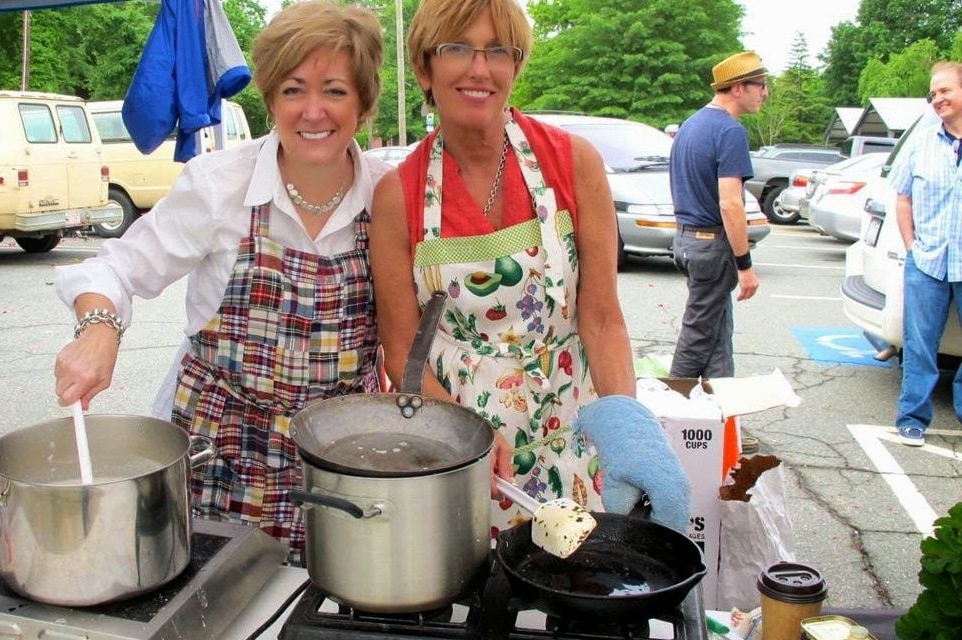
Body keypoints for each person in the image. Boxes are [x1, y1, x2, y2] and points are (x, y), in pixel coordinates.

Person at [53, 0, 388, 555]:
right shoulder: (218, 186)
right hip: (220, 452)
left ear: (363, 100)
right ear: (270, 98)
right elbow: (114, 267)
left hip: (337, 463)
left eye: (334, 90)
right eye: (292, 89)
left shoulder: (388, 196)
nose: (312, 111)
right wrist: (98, 329)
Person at [368, 0, 690, 532]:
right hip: (458, 452)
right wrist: (463, 436)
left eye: (499, 50)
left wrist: (630, 435)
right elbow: (403, 354)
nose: (480, 68)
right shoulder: (397, 194)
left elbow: (602, 317)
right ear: (424, 67)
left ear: (516, 66)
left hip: (572, 438)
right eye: (457, 48)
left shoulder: (572, 162)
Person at [669, 51, 768, 379]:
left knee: (716, 331)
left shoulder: (691, 125)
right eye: (761, 86)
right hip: (711, 245)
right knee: (697, 336)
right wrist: (745, 265)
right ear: (737, 88)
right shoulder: (730, 131)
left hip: (686, 240)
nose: (765, 93)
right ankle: (670, 410)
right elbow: (730, 204)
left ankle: (720, 413)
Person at [888, 60, 962, 447]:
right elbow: (902, 197)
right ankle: (912, 417)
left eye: (945, 90)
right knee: (919, 345)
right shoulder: (922, 142)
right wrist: (912, 247)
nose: (937, 99)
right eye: (933, 93)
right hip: (928, 260)